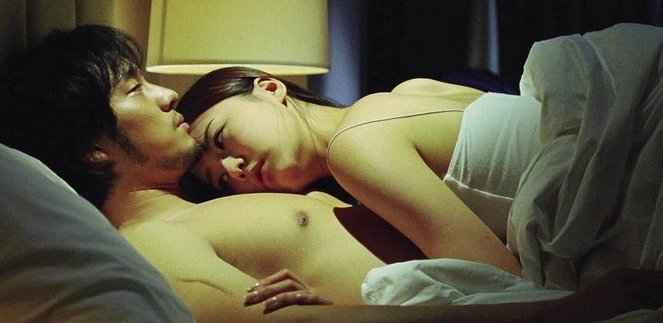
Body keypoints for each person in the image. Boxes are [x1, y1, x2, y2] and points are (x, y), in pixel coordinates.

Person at [0, 25, 663, 322]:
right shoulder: (153, 246)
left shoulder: (212, 204)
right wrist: (569, 311)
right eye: (134, 88)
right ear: (94, 150)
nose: (166, 94)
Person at [176, 66, 525, 276]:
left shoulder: (355, 145)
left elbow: (502, 284)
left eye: (220, 139)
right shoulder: (413, 89)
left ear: (269, 89)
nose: (234, 169)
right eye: (221, 181)